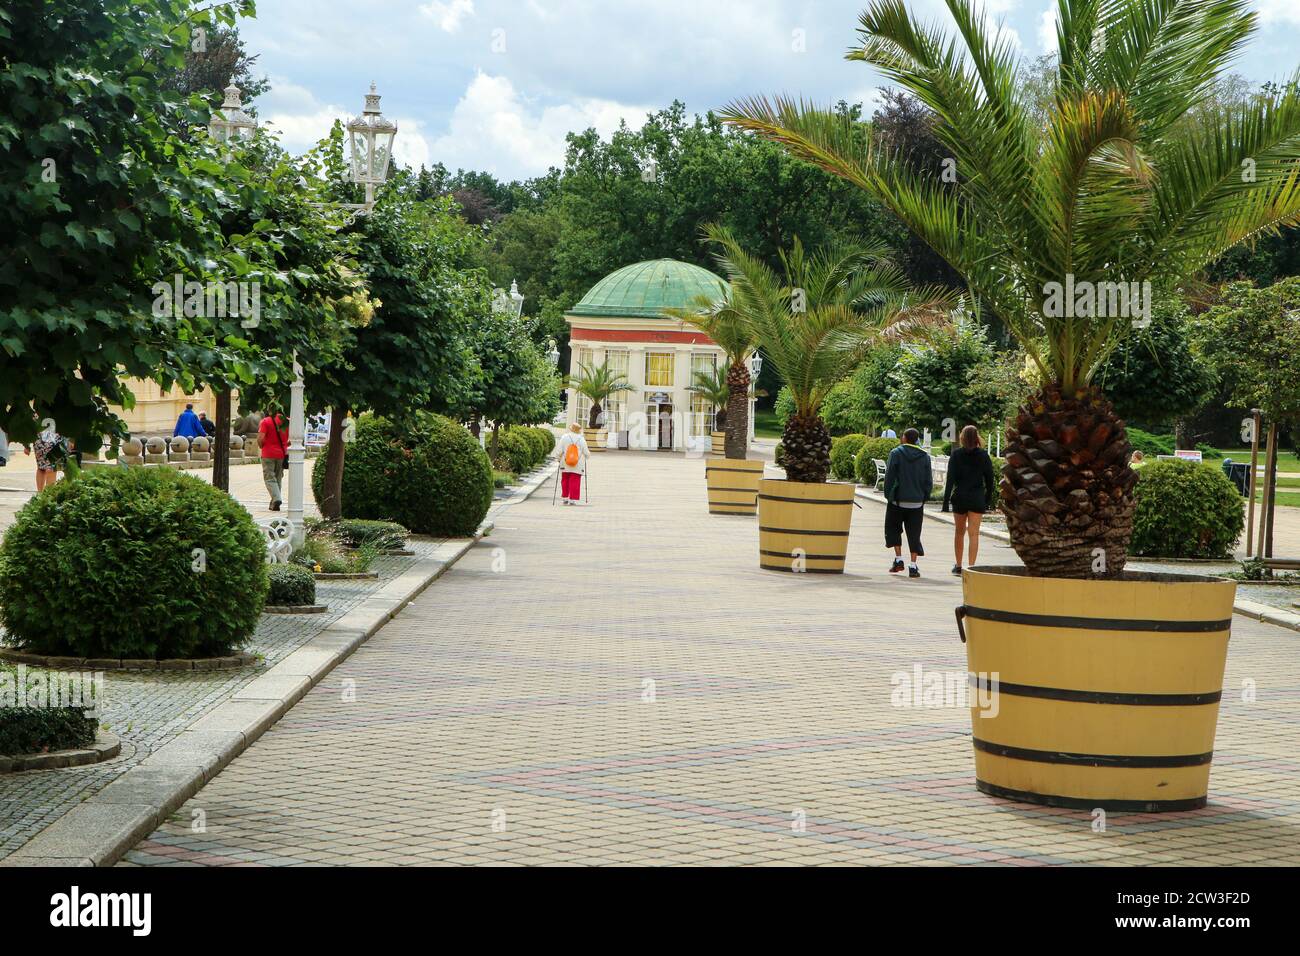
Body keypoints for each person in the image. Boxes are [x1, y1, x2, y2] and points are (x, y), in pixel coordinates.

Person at [942, 425, 998, 576]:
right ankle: (971, 567)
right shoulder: (984, 456)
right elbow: (990, 479)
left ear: (962, 437)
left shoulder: (956, 455)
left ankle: (959, 565)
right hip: (976, 497)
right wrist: (987, 499)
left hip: (960, 496)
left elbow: (950, 479)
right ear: (977, 437)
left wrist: (946, 501)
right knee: (974, 534)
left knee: (959, 533)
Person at [883, 428, 932, 578]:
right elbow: (928, 480)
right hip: (917, 502)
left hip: (898, 501)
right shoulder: (925, 456)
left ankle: (898, 560)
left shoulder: (896, 453)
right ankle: (913, 565)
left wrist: (888, 495)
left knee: (893, 529)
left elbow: (889, 477)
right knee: (914, 534)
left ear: (904, 438)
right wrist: (924, 497)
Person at [258, 409, 289, 511]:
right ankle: (274, 503)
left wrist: (261, 445)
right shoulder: (287, 421)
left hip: (268, 453)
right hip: (282, 454)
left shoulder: (265, 421)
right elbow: (291, 440)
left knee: (269, 478)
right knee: (278, 478)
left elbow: (261, 438)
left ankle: (276, 499)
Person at [556, 423, 590, 505]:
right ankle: (572, 499)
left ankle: (565, 498)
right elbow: (586, 453)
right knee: (575, 480)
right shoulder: (581, 439)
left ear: (571, 429)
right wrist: (587, 456)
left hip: (565, 462)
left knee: (565, 480)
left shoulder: (564, 437)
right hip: (577, 464)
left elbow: (559, 450)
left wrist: (558, 458)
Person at [24, 421, 64, 492]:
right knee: (50, 468)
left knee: (44, 468)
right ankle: (47, 496)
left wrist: (26, 444)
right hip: (49, 437)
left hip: (45, 437)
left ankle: (42, 495)